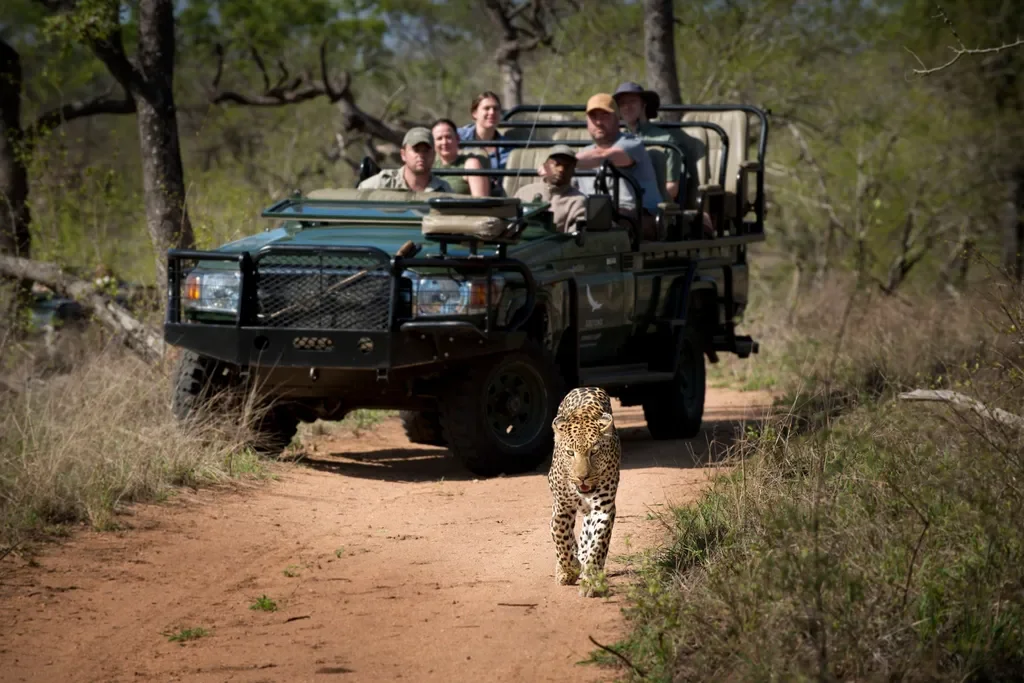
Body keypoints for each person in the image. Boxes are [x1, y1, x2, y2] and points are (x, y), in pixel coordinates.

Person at [569, 93, 664, 241]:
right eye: (594, 117)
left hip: (638, 216)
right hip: (595, 216)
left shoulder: (632, 143)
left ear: (617, 118)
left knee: (609, 226)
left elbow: (606, 156)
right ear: (587, 122)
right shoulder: (583, 154)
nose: (599, 122)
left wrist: (564, 163)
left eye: (605, 116)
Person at [612, 81, 682, 203]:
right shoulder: (615, 140)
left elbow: (672, 188)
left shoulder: (665, 140)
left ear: (643, 104)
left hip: (651, 208)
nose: (627, 107)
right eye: (622, 103)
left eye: (632, 101)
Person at [513, 145, 587, 233]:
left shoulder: (578, 201)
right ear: (545, 166)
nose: (561, 169)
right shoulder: (524, 193)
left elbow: (575, 239)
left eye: (567, 166)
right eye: (557, 164)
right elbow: (509, 223)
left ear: (573, 170)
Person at [358, 127, 454, 193]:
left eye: (426, 150)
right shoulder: (383, 183)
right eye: (416, 150)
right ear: (403, 154)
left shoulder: (444, 190)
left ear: (433, 155)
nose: (421, 155)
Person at [457, 91, 509, 196]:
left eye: (496, 108)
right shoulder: (458, 137)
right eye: (486, 108)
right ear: (474, 113)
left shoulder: (508, 147)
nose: (492, 112)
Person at [431, 118, 490, 197]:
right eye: (439, 138)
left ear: (457, 138)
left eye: (448, 137)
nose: (444, 142)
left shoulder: (470, 164)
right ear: (432, 143)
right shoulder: (430, 165)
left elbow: (482, 202)